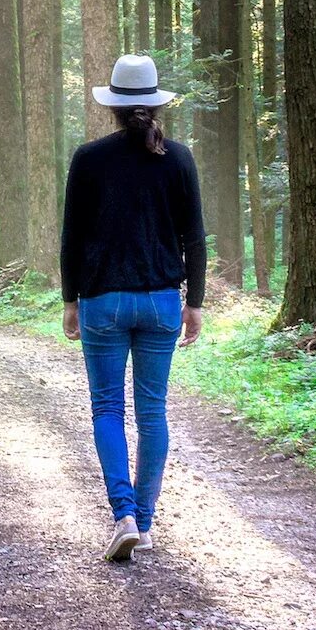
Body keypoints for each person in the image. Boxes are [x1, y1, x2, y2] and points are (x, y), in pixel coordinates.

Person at [58, 53, 206, 561]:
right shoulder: (179, 158)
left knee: (106, 408)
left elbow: (71, 238)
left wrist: (70, 300)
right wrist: (196, 304)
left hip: (103, 300)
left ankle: (121, 513)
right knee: (152, 411)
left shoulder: (89, 158)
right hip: (163, 301)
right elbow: (194, 239)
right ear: (155, 103)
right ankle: (144, 522)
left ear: (115, 106)